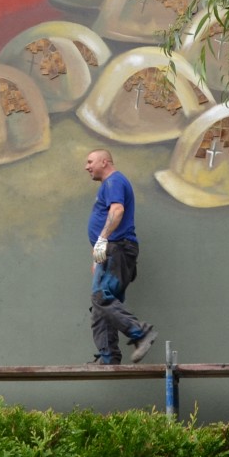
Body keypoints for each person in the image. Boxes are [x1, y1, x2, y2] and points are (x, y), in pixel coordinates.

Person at [84, 149, 157, 365]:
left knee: (101, 298)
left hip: (116, 248)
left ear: (104, 162)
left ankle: (140, 333)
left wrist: (102, 240)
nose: (87, 167)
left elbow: (117, 211)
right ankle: (109, 356)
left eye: (90, 162)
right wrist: (97, 256)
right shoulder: (109, 184)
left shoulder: (113, 181)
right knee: (101, 304)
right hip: (110, 250)